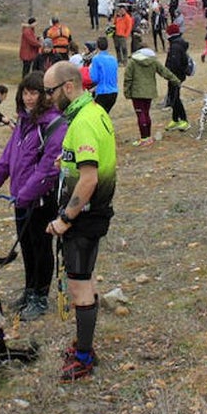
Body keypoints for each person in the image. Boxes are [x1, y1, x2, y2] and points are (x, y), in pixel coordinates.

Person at [42, 61, 116, 382]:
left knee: (78, 286)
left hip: (84, 218)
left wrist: (64, 218)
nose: (47, 98)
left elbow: (88, 180)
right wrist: (67, 159)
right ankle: (84, 344)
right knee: (85, 279)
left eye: (50, 91)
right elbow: (92, 160)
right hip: (92, 215)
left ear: (68, 88)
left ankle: (84, 357)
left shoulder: (83, 121)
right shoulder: (94, 112)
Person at [0, 71, 66, 322]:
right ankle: (29, 290)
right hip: (21, 199)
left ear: (45, 95)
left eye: (34, 92)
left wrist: (25, 194)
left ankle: (40, 296)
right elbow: (7, 159)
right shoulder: (23, 123)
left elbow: (48, 168)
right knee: (26, 246)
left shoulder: (54, 125)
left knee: (41, 246)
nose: (28, 98)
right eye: (25, 92)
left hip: (41, 199)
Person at [124, 34, 181, 147]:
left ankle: (144, 138)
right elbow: (164, 72)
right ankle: (148, 137)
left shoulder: (133, 62)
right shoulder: (153, 61)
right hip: (149, 91)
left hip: (137, 92)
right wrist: (176, 80)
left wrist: (127, 92)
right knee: (146, 113)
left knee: (140, 114)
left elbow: (128, 78)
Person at [162, 24, 190, 131]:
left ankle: (184, 120)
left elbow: (175, 64)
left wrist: (168, 73)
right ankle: (175, 119)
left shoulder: (175, 46)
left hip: (175, 77)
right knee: (173, 97)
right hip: (174, 76)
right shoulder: (176, 44)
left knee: (175, 99)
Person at [89, 36, 119, 114]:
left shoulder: (96, 59)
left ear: (97, 46)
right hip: (114, 92)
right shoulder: (113, 59)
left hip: (102, 92)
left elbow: (94, 78)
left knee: (98, 116)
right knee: (105, 115)